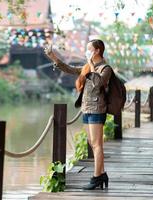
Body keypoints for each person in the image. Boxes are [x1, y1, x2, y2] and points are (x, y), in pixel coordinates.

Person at [44, 39, 111, 190]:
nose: (87, 51)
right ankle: (102, 173)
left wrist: (91, 64)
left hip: (97, 109)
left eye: (89, 49)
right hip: (86, 108)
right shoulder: (87, 67)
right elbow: (69, 69)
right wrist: (53, 57)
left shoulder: (105, 68)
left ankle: (96, 178)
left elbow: (98, 83)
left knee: (97, 144)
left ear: (97, 51)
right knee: (92, 144)